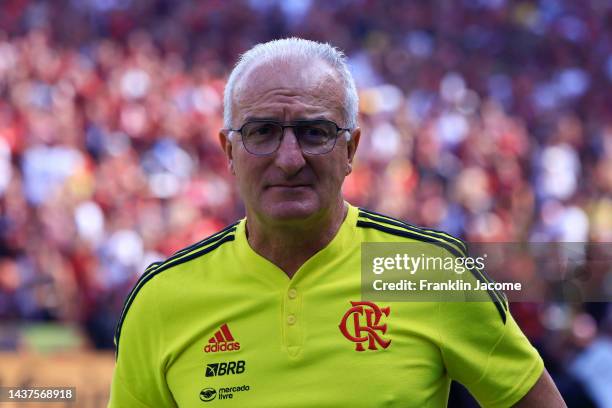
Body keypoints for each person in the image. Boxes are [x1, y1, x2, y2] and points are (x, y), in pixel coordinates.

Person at [108, 38, 566, 407]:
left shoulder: (427, 274)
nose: (289, 160)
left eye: (315, 132)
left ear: (351, 149)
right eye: (262, 132)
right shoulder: (161, 299)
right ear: (229, 151)